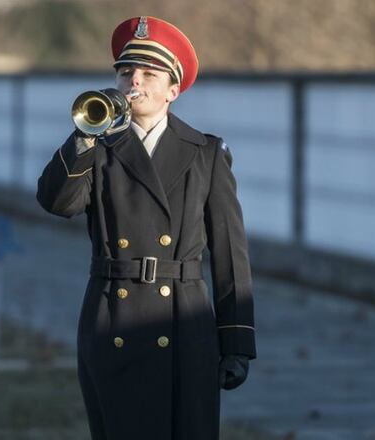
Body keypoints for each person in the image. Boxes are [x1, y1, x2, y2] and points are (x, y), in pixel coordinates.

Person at [36, 16, 256, 440]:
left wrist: (237, 342)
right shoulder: (98, 145)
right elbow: (57, 203)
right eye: (125, 72)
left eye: (148, 74)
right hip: (112, 317)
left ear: (173, 90)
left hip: (184, 323)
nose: (133, 81)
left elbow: (231, 251)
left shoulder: (205, 153)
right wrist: (83, 137)